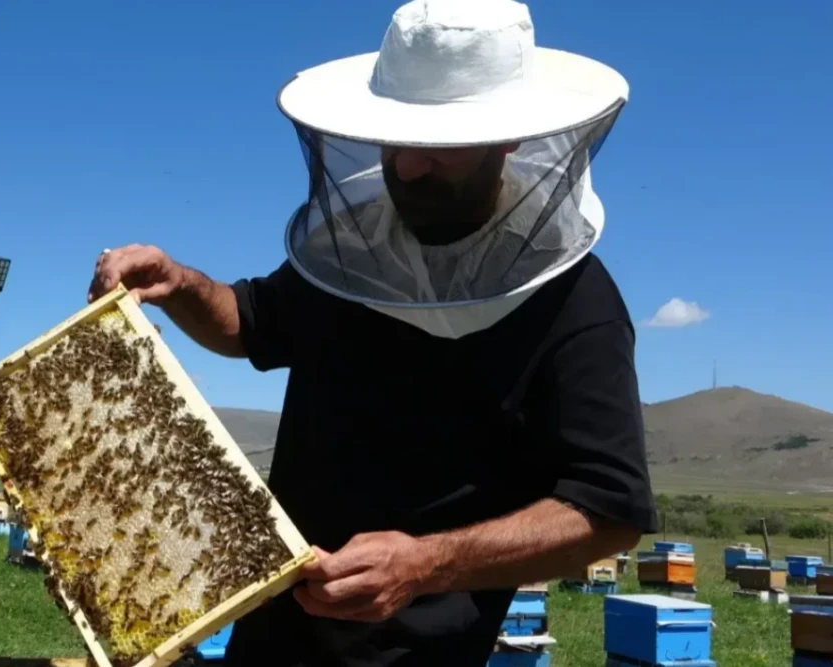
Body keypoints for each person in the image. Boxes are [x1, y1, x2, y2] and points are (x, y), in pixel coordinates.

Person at [88, 0, 657, 665]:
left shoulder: (575, 302)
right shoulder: (353, 251)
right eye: (395, 138)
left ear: (510, 138)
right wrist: (181, 283)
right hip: (272, 640)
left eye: (440, 148)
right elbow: (252, 322)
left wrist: (425, 563)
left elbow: (607, 511)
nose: (409, 168)